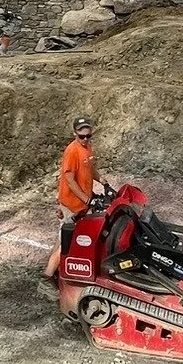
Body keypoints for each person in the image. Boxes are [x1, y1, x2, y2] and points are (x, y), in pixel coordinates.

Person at [42, 117, 106, 285]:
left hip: (82, 203)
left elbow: (90, 169)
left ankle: (54, 269)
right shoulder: (72, 151)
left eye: (88, 136)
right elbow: (69, 179)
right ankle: (47, 279)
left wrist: (102, 181)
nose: (85, 139)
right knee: (67, 241)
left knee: (62, 237)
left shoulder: (87, 148)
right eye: (82, 136)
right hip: (72, 204)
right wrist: (87, 199)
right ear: (74, 134)